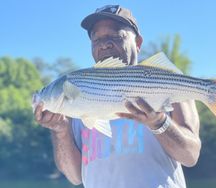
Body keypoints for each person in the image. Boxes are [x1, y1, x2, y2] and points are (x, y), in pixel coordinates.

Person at [34, 5, 201, 188]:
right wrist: (60, 129)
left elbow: (190, 156)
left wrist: (159, 123)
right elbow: (75, 177)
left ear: (138, 43)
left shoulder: (168, 83)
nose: (104, 44)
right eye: (96, 39)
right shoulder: (76, 104)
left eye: (115, 36)